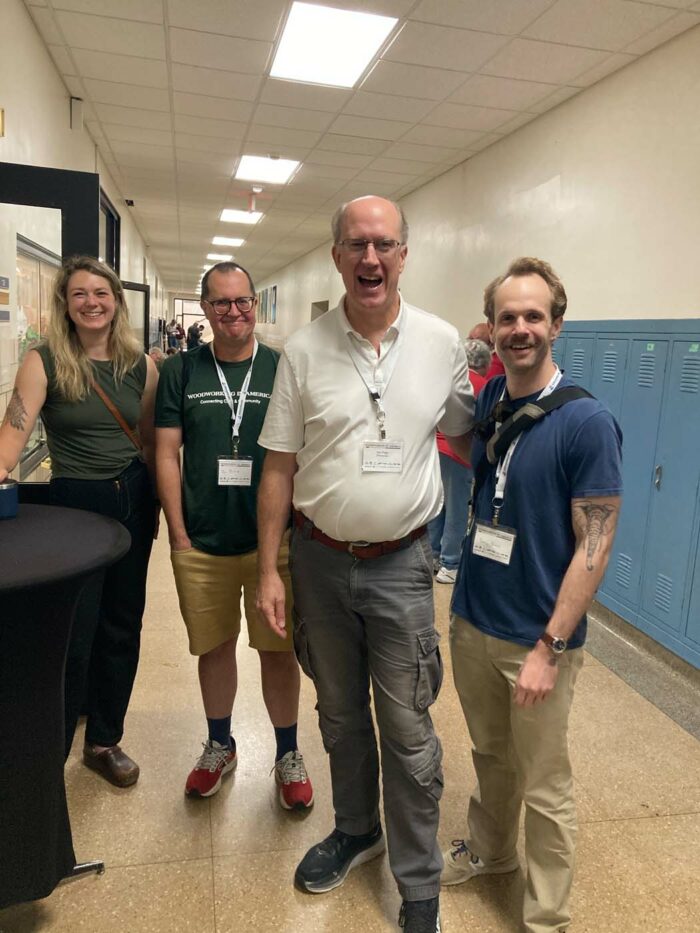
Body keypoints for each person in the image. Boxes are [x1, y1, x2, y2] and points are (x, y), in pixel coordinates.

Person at [256, 196, 474, 933]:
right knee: (342, 716)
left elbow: (468, 434)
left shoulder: (442, 343)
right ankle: (356, 829)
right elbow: (278, 469)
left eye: (384, 244)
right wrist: (269, 568)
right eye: (357, 244)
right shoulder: (303, 350)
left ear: (404, 255)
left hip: (403, 565)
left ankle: (419, 886)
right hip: (317, 560)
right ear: (337, 256)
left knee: (408, 730)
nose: (371, 258)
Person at [443, 257, 622, 933]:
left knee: (545, 783)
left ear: (557, 325)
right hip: (474, 619)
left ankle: (547, 916)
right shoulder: (494, 398)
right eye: (507, 317)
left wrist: (551, 646)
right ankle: (491, 852)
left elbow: (594, 544)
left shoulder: (587, 422)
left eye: (533, 316)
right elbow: (465, 446)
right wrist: (471, 348)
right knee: (490, 754)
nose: (520, 328)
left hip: (537, 639)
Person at [155, 262, 313, 807]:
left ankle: (288, 753)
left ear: (255, 303)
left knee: (278, 650)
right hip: (201, 541)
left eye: (242, 300)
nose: (233, 312)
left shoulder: (281, 367)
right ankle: (220, 744)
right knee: (214, 647)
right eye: (220, 303)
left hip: (274, 544)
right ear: (204, 308)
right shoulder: (181, 370)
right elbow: (166, 453)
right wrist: (177, 534)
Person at [0, 255, 158, 785]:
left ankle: (104, 739)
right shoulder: (43, 362)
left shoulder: (141, 364)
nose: (92, 303)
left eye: (101, 293)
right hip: (75, 506)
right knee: (76, 627)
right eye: (79, 295)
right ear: (65, 305)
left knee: (122, 620)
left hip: (135, 496)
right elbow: (10, 440)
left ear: (117, 301)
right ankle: (55, 741)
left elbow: (155, 440)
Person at [428, 338, 490, 583]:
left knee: (439, 506)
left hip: (437, 449)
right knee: (457, 509)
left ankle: (433, 554)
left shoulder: (450, 381)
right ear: (484, 364)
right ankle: (450, 563)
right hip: (460, 454)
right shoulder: (484, 386)